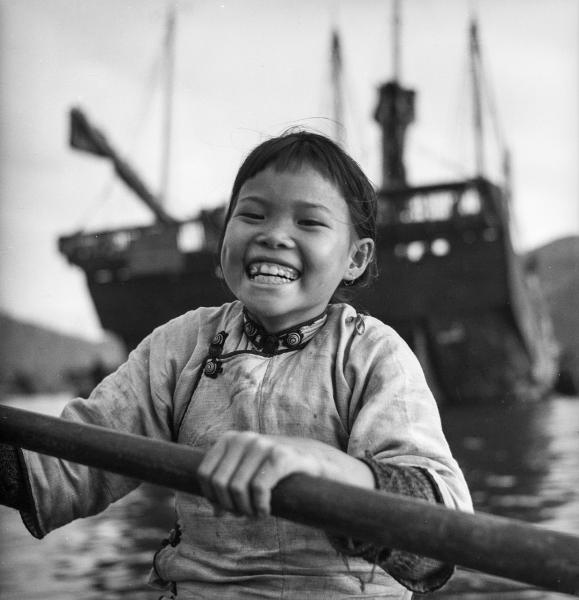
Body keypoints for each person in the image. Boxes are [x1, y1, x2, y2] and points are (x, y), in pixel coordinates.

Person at [0, 131, 472, 599]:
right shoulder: (180, 345)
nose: (273, 235)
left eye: (309, 223)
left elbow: (440, 530)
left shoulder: (374, 355)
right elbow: (68, 466)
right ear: (224, 235)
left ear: (356, 257)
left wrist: (328, 467)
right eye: (252, 215)